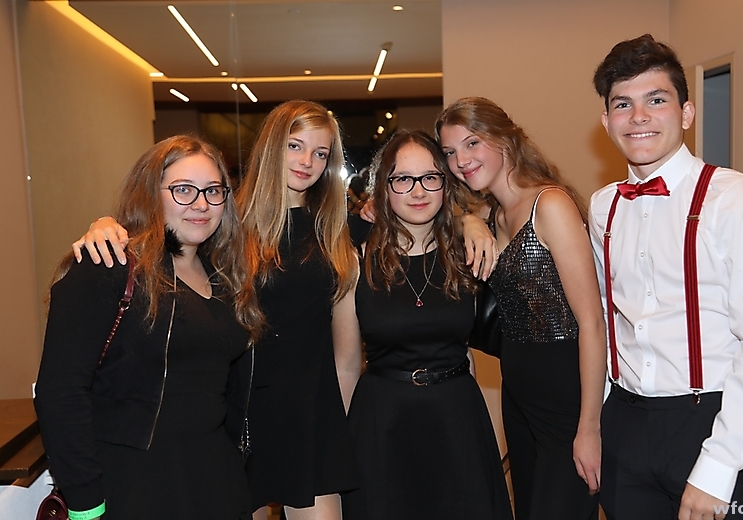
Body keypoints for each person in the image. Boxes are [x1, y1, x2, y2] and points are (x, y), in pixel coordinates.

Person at [73, 103, 498, 520]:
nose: (307, 161)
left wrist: (470, 221)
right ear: (272, 146)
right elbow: (167, 231)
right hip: (240, 410)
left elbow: (415, 216)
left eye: (320, 152)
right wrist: (107, 225)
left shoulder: (337, 228)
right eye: (295, 146)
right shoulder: (225, 224)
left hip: (311, 412)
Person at [589, 34, 743, 520]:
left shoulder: (737, 201)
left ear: (686, 113)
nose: (638, 116)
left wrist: (719, 465)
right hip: (624, 424)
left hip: (712, 424)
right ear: (607, 121)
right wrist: (595, 424)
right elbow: (605, 322)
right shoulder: (603, 207)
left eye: (656, 100)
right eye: (623, 104)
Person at [34, 135, 263, 520]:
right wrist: (86, 504)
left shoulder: (228, 278)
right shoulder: (108, 268)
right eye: (183, 190)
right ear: (149, 194)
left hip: (217, 485)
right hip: (135, 488)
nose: (201, 204)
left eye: (213, 191)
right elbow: (60, 393)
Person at [436, 98, 607, 520]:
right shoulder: (493, 213)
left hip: (566, 401)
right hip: (518, 398)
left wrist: (589, 427)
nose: (461, 161)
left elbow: (591, 322)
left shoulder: (549, 205)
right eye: (450, 152)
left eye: (472, 143)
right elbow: (439, 211)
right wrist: (468, 220)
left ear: (505, 139)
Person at [334, 130, 513, 520]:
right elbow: (346, 366)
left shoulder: (468, 255)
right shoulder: (355, 261)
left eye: (430, 177)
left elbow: (466, 352)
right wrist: (340, 448)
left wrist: (471, 221)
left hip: (456, 420)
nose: (418, 191)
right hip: (382, 424)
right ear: (384, 187)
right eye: (403, 179)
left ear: (445, 185)